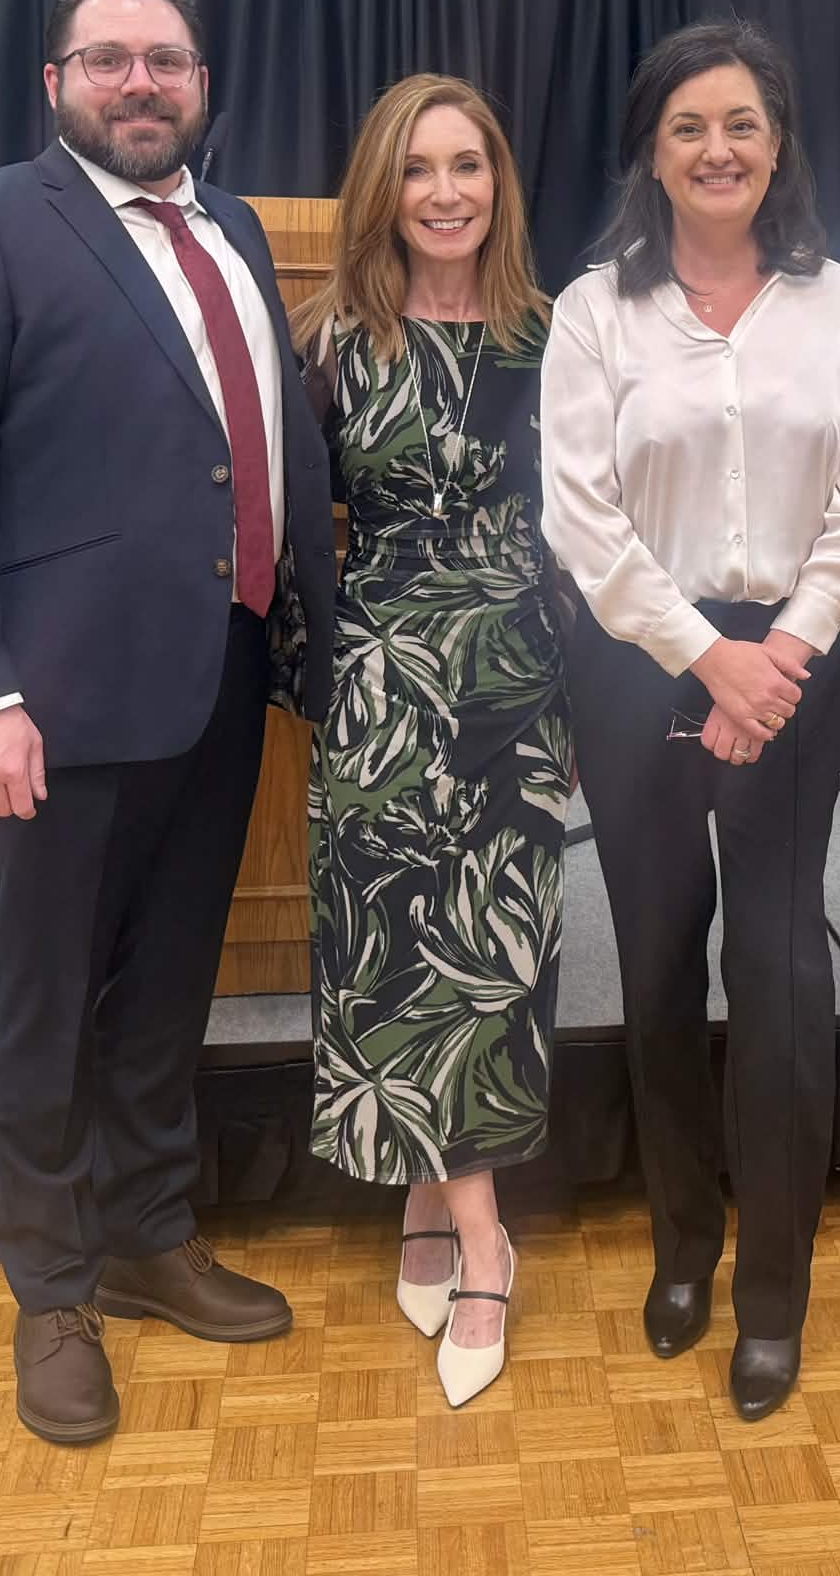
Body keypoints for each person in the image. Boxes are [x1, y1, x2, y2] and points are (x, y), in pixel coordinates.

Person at [0, 0, 334, 1445]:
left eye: (167, 61)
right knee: (43, 1004)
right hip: (52, 706)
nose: (142, 83)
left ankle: (145, 1235)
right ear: (56, 83)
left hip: (220, 681)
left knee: (167, 984)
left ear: (201, 84)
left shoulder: (237, 230)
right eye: (110, 58)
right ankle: (52, 1289)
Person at [540, 19, 840, 1421]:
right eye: (688, 125)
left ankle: (774, 1290)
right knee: (656, 961)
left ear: (777, 142)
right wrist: (708, 661)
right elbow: (581, 516)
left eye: (742, 122)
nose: (717, 148)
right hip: (642, 660)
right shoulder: (595, 311)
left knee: (780, 967)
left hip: (799, 660)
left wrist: (779, 658)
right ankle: (683, 1241)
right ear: (651, 150)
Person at [295, 74, 567, 1408]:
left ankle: (455, 1218)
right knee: (391, 950)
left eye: (468, 164)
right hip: (382, 688)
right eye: (418, 168)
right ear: (383, 190)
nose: (445, 191)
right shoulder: (332, 341)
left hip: (515, 684)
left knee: (489, 963)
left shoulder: (554, 338)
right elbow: (292, 535)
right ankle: (472, 1228)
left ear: (498, 182)